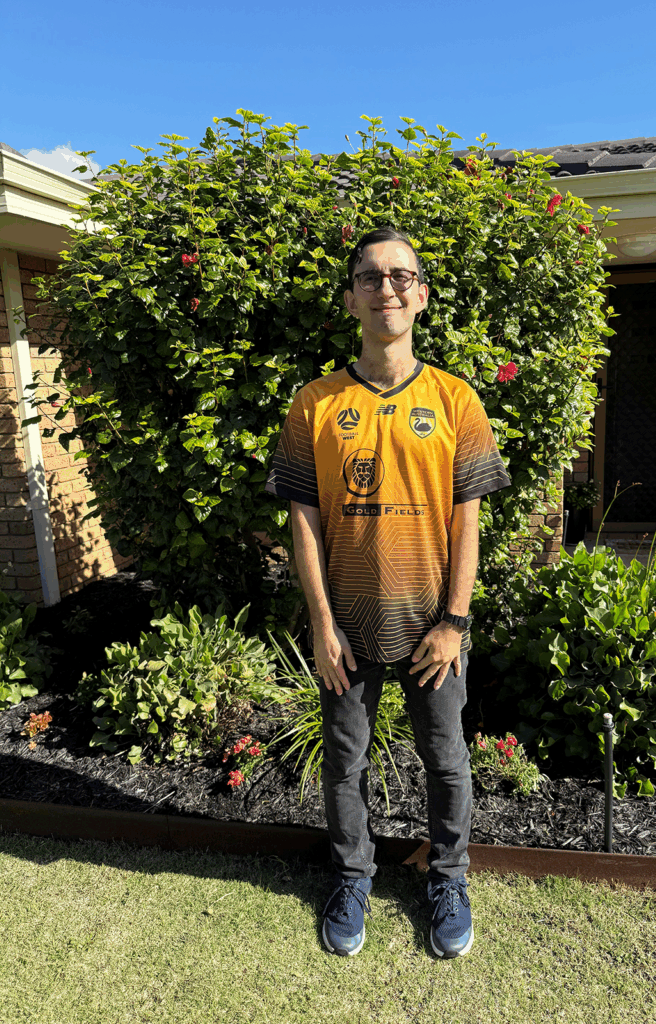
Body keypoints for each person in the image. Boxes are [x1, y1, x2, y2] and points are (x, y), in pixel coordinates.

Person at [264, 226, 512, 957]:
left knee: (446, 759)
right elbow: (302, 522)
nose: (386, 289)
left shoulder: (457, 400)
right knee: (344, 760)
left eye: (401, 276)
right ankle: (350, 878)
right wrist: (320, 622)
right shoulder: (315, 403)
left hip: (432, 625)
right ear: (350, 299)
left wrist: (455, 622)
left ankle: (449, 877)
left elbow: (468, 525)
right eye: (370, 278)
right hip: (347, 626)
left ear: (422, 295)